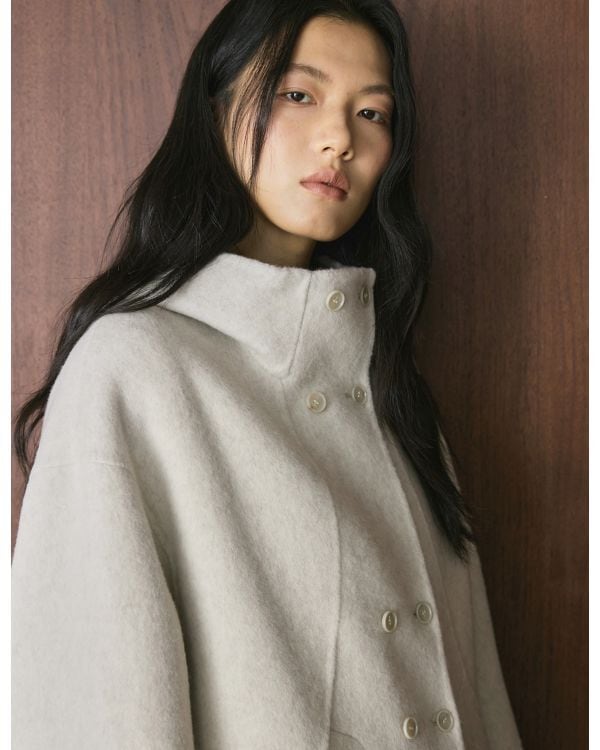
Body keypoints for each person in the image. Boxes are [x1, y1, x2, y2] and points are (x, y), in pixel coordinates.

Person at [11, 1, 523, 748]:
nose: (340, 138)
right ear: (217, 105)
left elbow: (475, 694)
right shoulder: (132, 370)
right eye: (298, 94)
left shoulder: (392, 393)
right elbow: (93, 715)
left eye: (372, 113)